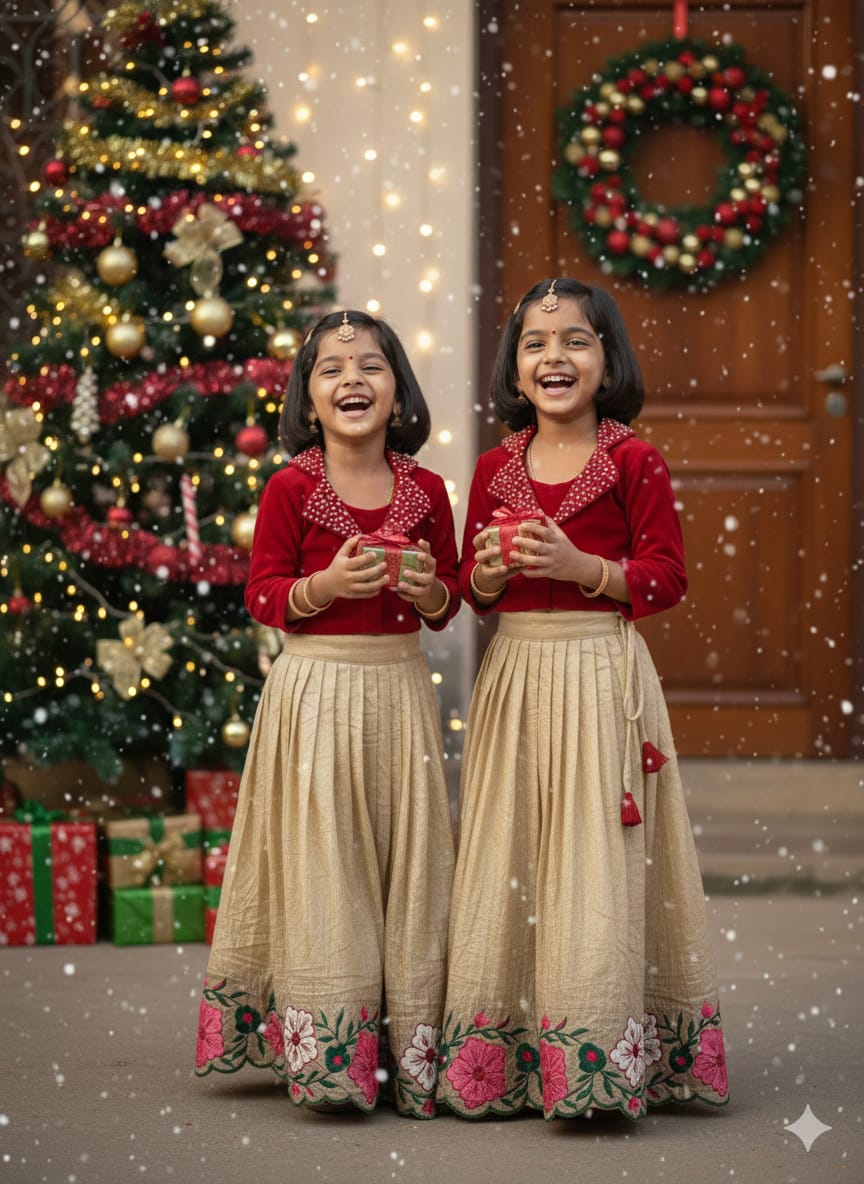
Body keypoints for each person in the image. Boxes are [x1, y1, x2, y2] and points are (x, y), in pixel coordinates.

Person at [436, 277, 728, 1121]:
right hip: (519, 681)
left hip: (603, 679)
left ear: (608, 362)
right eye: (535, 342)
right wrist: (486, 574)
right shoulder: (494, 467)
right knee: (512, 854)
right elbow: (470, 586)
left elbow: (667, 578)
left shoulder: (634, 460)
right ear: (514, 370)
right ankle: (508, 1054)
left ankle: (596, 1055)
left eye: (576, 341)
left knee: (596, 861)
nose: (554, 356)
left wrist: (584, 571)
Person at [195, 309, 459, 1120]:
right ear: (308, 402)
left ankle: (405, 1043)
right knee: (326, 864)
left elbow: (449, 598)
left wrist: (428, 592)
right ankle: (329, 1053)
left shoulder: (424, 491)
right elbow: (262, 593)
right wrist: (324, 591)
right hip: (314, 692)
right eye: (331, 369)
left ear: (399, 392)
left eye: (371, 365)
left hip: (400, 694)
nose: (353, 380)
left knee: (406, 862)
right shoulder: (290, 488)